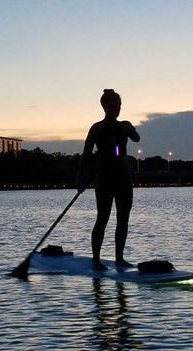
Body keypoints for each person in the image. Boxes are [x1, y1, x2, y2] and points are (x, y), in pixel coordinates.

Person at [77, 89, 140, 270]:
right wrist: (81, 179)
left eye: (119, 105)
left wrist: (131, 130)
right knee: (102, 218)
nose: (117, 108)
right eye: (114, 105)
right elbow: (86, 155)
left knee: (123, 218)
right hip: (104, 177)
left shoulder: (124, 125)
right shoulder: (97, 128)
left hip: (124, 177)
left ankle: (119, 258)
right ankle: (96, 260)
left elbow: (136, 138)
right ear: (105, 106)